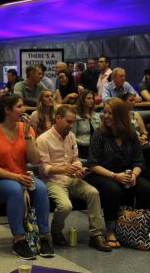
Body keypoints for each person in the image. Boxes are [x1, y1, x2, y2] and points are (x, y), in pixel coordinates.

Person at [0, 95, 54, 259]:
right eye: (20, 106)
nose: (24, 110)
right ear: (8, 110)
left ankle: (43, 237)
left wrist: (28, 136)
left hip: (20, 177)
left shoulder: (25, 128)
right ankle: (19, 239)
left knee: (41, 188)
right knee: (15, 190)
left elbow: (34, 160)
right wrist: (16, 177)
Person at [37, 105, 111, 252]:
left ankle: (95, 235)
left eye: (73, 123)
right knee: (66, 206)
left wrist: (78, 168)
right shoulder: (43, 139)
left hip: (70, 178)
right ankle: (56, 231)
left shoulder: (70, 137)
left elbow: (75, 159)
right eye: (68, 122)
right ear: (57, 118)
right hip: (52, 180)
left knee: (93, 193)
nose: (71, 126)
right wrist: (63, 169)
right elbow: (43, 169)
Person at [85, 97, 150, 248]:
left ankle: (138, 226)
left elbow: (139, 161)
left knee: (146, 188)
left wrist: (134, 175)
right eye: (105, 112)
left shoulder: (131, 135)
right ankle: (111, 230)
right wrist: (115, 176)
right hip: (102, 174)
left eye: (110, 113)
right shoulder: (99, 134)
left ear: (120, 115)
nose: (106, 116)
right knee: (113, 189)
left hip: (127, 174)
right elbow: (92, 164)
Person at [120, 92, 150, 181]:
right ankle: (148, 180)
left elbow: (144, 132)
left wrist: (143, 137)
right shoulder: (118, 116)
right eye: (130, 100)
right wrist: (135, 139)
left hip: (141, 142)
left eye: (134, 100)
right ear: (123, 102)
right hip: (128, 143)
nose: (133, 102)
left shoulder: (136, 114)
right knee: (142, 156)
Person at [72, 90, 101, 158]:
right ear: (82, 100)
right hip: (82, 148)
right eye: (88, 98)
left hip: (96, 147)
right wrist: (86, 143)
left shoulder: (96, 115)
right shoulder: (76, 116)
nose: (92, 100)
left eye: (92, 98)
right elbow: (72, 137)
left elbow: (101, 133)